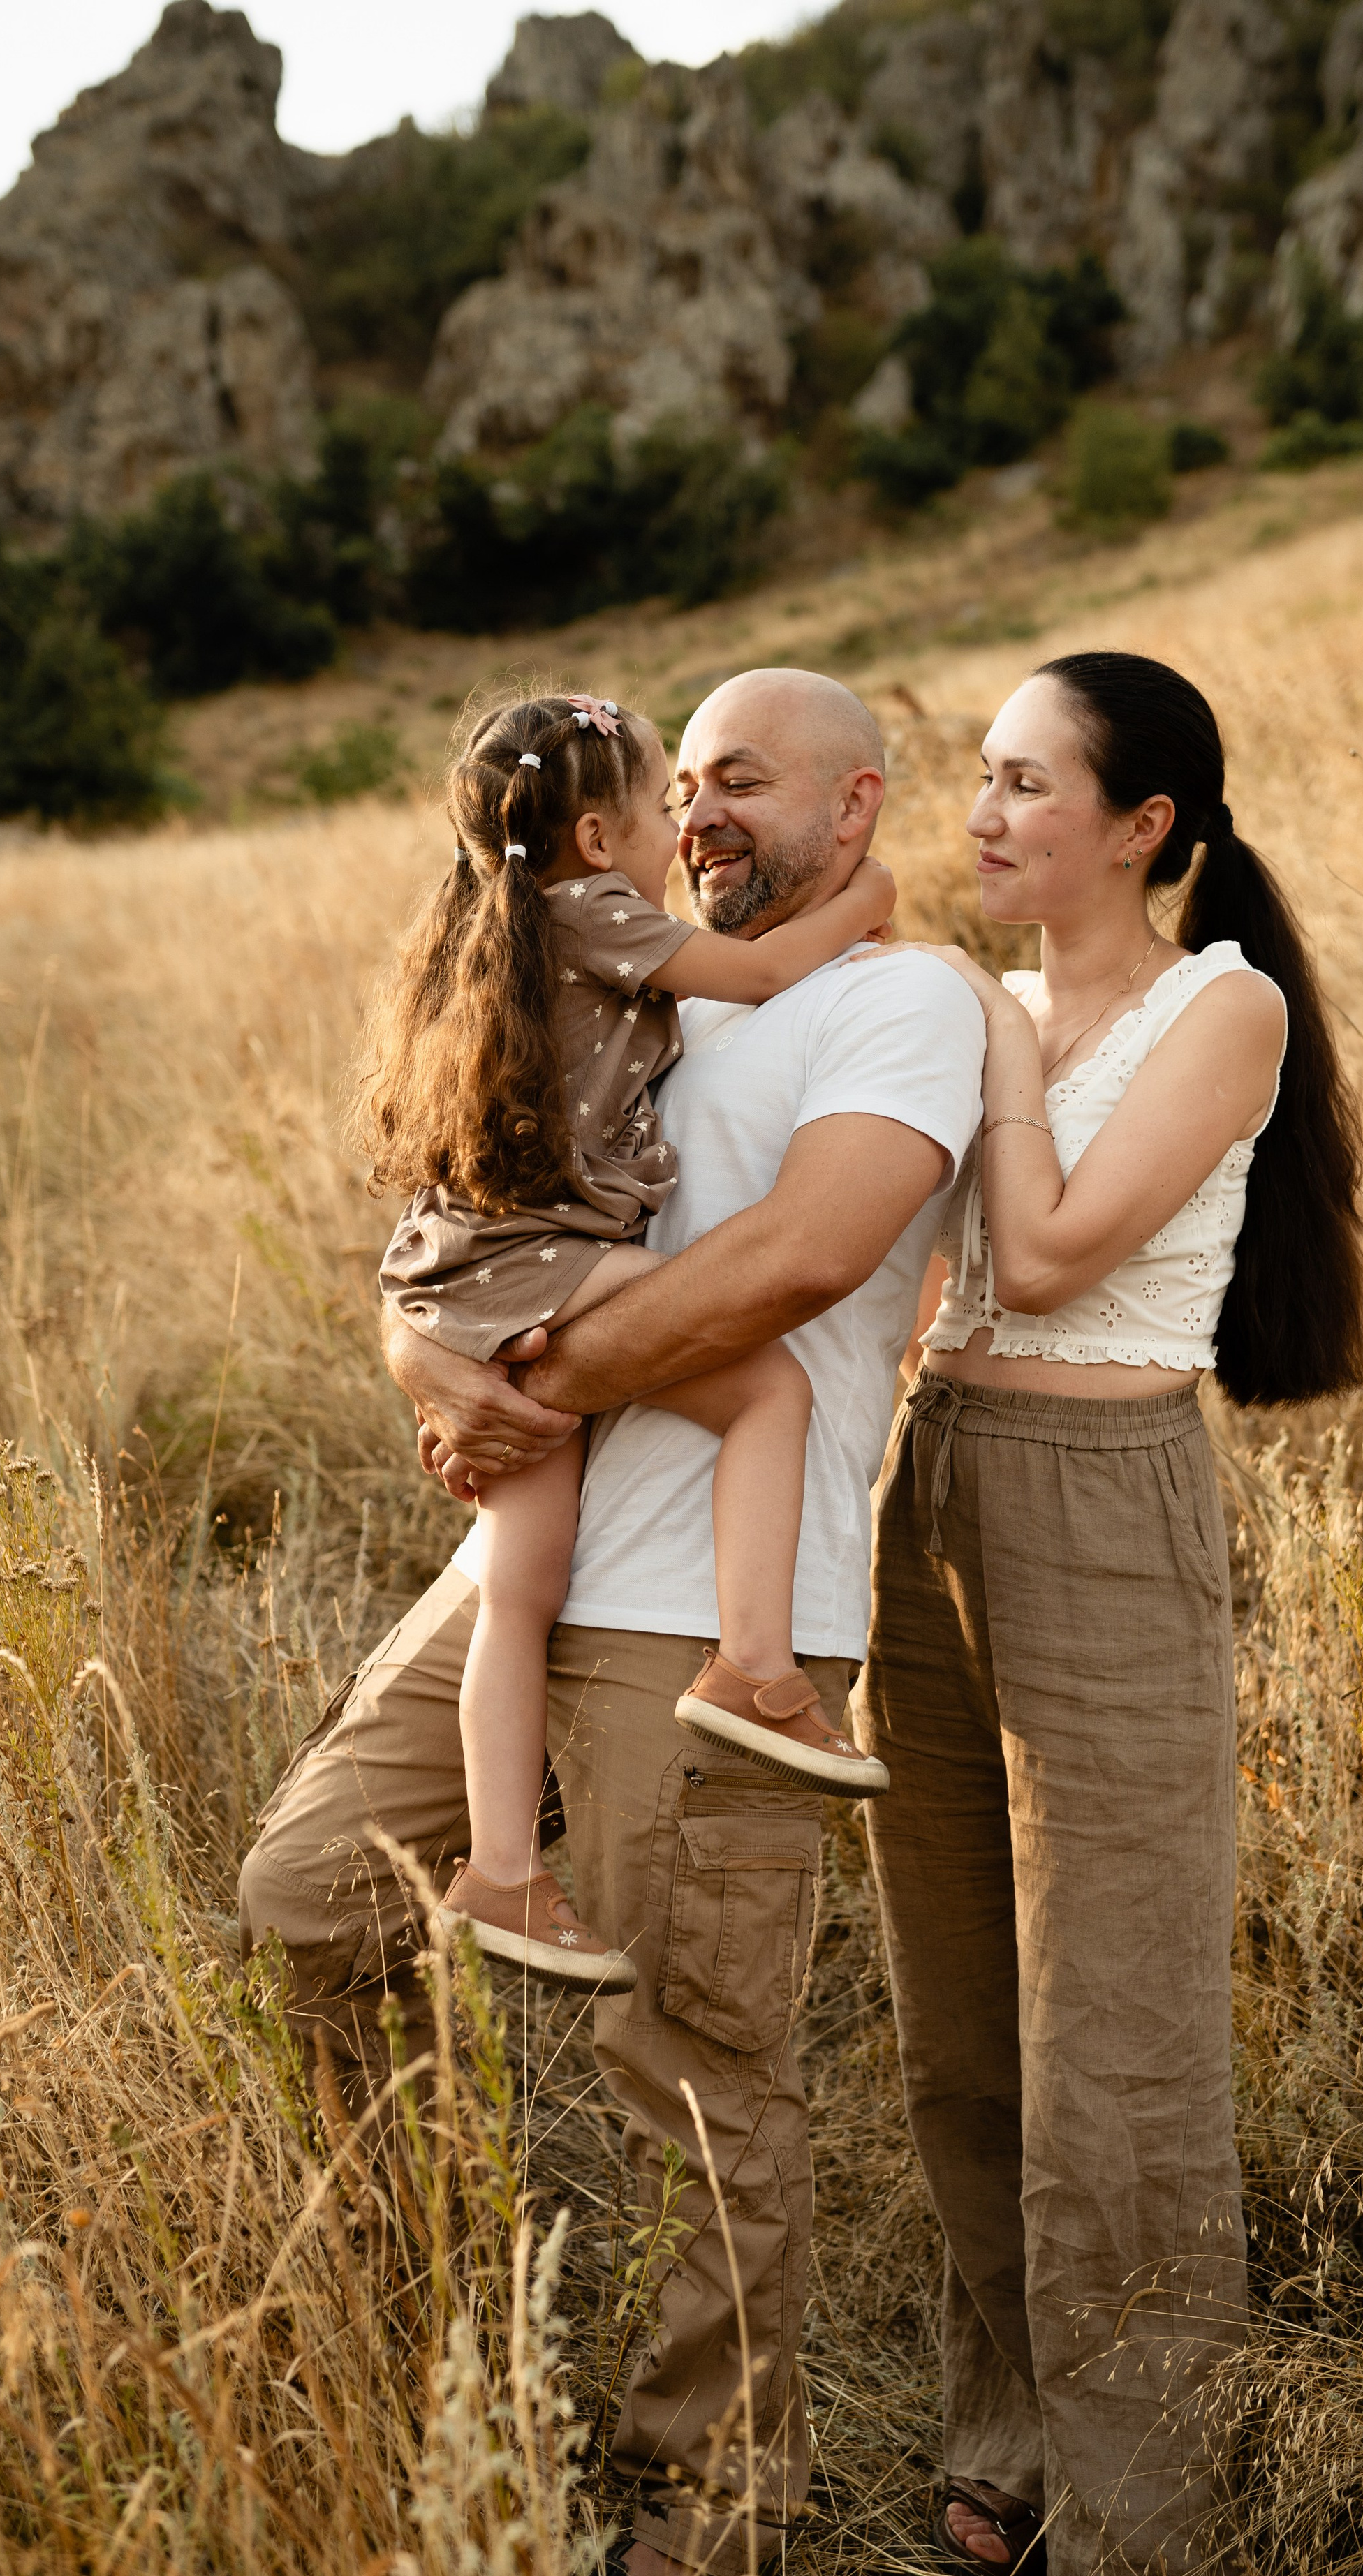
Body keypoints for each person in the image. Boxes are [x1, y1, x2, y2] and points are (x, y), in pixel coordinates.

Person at [236, 667, 985, 2576]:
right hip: (514, 1569)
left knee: (698, 2066)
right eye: (691, 781)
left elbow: (805, 1258)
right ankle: (436, 2356)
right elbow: (444, 1211)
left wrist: (535, 1373)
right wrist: (434, 1360)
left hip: (709, 1616)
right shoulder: (622, 983)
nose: (707, 809)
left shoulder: (894, 1003)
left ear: (860, 805)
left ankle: (714, 2502)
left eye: (743, 777)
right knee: (309, 1904)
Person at [855, 651, 1363, 2576]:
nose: (979, 816)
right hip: (935, 1487)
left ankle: (1154, 2543)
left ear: (1143, 824)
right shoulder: (978, 1009)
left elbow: (1052, 1254)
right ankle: (1011, 2436)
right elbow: (898, 1282)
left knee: (1119, 2049)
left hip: (1104, 1491)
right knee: (955, 2012)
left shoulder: (1210, 1008)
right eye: (973, 779)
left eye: (1025, 784)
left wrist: (970, 1029)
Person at [359, 690, 890, 1996]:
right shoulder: (596, 916)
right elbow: (765, 972)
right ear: (598, 836)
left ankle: (499, 1875)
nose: (683, 830)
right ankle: (757, 1666)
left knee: (522, 1590)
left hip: (474, 1269)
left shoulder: (493, 923)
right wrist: (871, 898)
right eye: (666, 806)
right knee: (768, 1390)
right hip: (541, 1260)